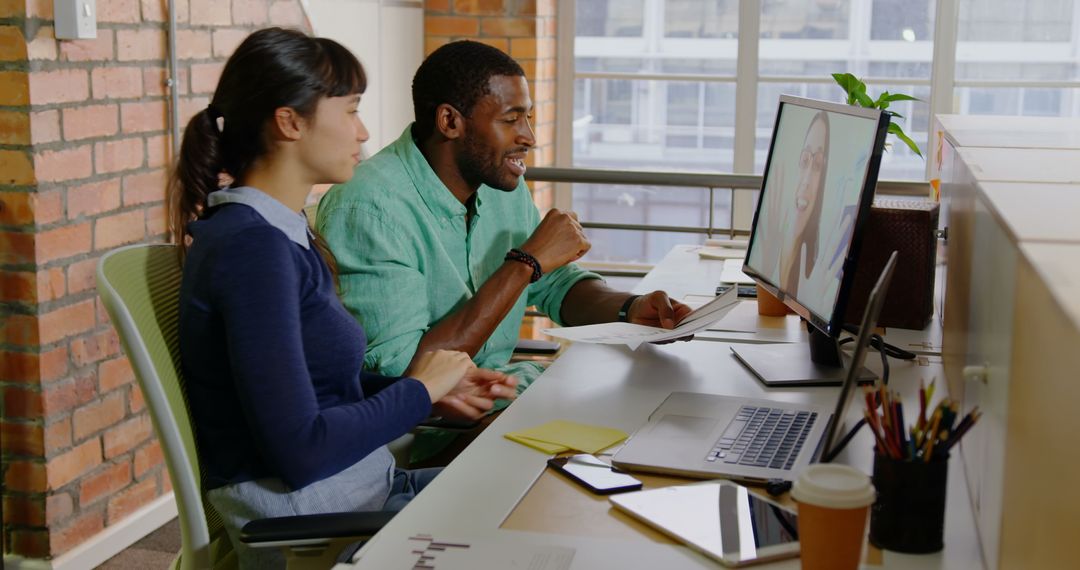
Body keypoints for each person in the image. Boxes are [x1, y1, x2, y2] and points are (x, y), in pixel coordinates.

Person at [167, 28, 516, 569]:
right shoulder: (252, 248)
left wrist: (422, 389)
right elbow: (301, 448)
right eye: (350, 110)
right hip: (323, 527)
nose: (364, 130)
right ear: (290, 122)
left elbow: (323, 391)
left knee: (538, 492)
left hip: (365, 494)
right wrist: (419, 392)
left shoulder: (281, 234)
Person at [316, 40, 692, 462]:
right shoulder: (368, 208)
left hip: (505, 410)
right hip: (424, 444)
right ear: (450, 121)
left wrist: (631, 307)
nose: (528, 137)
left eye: (528, 118)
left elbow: (555, 286)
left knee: (665, 436)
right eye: (511, 119)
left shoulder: (496, 185)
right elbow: (409, 378)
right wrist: (525, 262)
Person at [754, 110, 830, 299]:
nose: (805, 181)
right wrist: (764, 270)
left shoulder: (814, 277)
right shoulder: (772, 251)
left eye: (818, 165)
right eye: (804, 160)